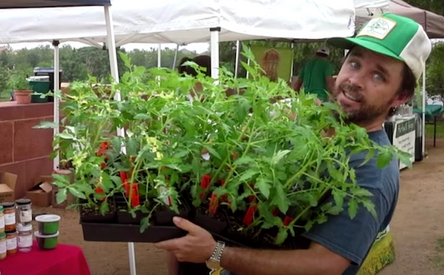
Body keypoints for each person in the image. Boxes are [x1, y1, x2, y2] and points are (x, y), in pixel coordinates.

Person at [155, 13, 431, 275]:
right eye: (355, 63)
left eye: (378, 75)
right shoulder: (318, 131)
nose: (354, 80)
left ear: (400, 96)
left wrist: (216, 253)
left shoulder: (371, 169)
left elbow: (324, 265)